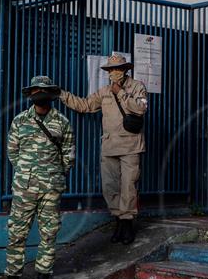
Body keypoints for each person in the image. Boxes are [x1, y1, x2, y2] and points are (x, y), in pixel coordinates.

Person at [0, 76, 75, 279]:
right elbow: (13, 153)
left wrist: (54, 174)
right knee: (16, 236)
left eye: (44, 90)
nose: (39, 93)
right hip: (24, 188)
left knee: (48, 236)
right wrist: (26, 174)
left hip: (51, 188)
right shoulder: (20, 121)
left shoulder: (62, 122)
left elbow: (68, 154)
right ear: (30, 94)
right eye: (35, 90)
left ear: (51, 94)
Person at [59, 53, 148, 244]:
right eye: (111, 69)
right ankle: (118, 222)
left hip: (131, 145)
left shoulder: (137, 87)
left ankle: (127, 226)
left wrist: (121, 93)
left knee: (129, 187)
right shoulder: (104, 91)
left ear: (125, 70)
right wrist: (62, 94)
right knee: (110, 187)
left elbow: (141, 108)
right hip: (109, 146)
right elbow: (84, 105)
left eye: (118, 69)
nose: (114, 72)